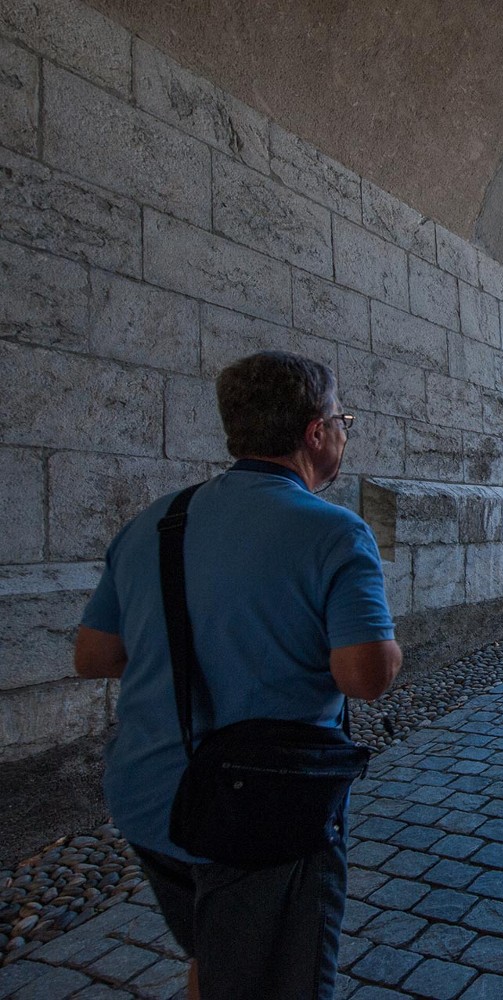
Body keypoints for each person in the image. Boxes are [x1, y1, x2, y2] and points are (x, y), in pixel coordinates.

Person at [73, 351, 402, 1000]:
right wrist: (390, 649)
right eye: (343, 420)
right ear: (316, 432)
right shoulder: (334, 533)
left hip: (149, 799)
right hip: (256, 812)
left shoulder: (157, 522)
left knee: (218, 953)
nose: (343, 433)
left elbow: (95, 656)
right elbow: (364, 676)